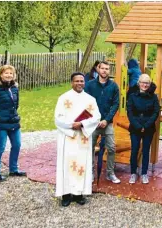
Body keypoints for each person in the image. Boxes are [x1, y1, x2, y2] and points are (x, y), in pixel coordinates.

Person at [54, 72, 101, 207]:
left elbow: (96, 117)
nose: (80, 83)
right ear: (71, 82)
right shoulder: (63, 98)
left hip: (82, 137)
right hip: (68, 137)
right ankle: (66, 194)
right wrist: (71, 126)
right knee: (67, 165)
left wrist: (82, 124)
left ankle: (79, 193)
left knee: (81, 164)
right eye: (77, 81)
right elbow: (58, 118)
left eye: (82, 81)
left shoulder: (90, 99)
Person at [85, 61, 121, 184]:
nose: (104, 71)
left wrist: (106, 119)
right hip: (93, 123)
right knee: (89, 148)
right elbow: (86, 103)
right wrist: (94, 119)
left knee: (111, 148)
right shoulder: (89, 85)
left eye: (107, 69)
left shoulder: (113, 86)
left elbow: (116, 104)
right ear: (98, 69)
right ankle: (90, 172)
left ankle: (110, 173)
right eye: (102, 68)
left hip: (107, 122)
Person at [127, 74, 160, 184]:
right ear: (139, 83)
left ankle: (144, 173)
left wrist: (145, 126)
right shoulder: (132, 96)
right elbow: (130, 112)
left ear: (149, 84)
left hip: (148, 127)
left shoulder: (154, 97)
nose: (145, 85)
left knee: (146, 150)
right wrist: (137, 125)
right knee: (134, 150)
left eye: (147, 83)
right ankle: (133, 172)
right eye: (143, 82)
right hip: (135, 127)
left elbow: (156, 112)